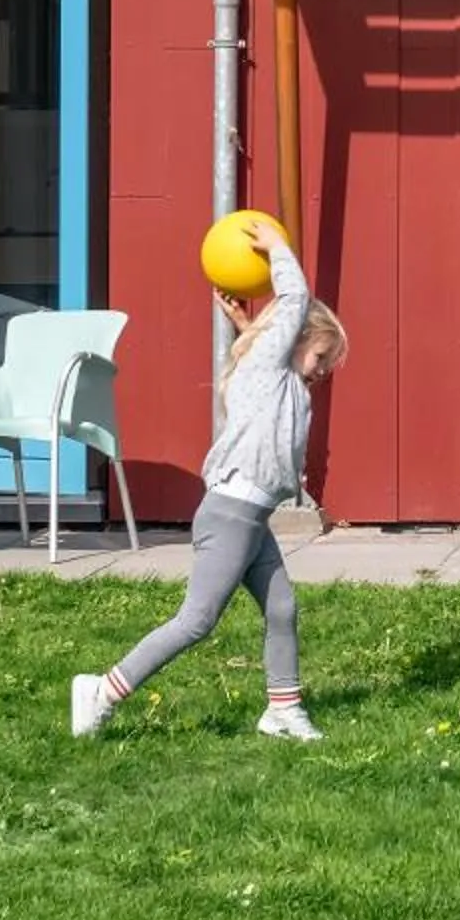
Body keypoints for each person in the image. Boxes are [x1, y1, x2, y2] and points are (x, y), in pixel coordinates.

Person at [71, 218, 348, 742]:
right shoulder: (272, 365)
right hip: (231, 514)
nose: (323, 370)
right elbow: (293, 304)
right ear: (296, 340)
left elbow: (275, 360)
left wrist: (250, 330)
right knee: (197, 621)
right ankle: (102, 690)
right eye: (320, 357)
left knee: (283, 607)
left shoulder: (278, 377)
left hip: (252, 517)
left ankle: (282, 710)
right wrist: (279, 249)